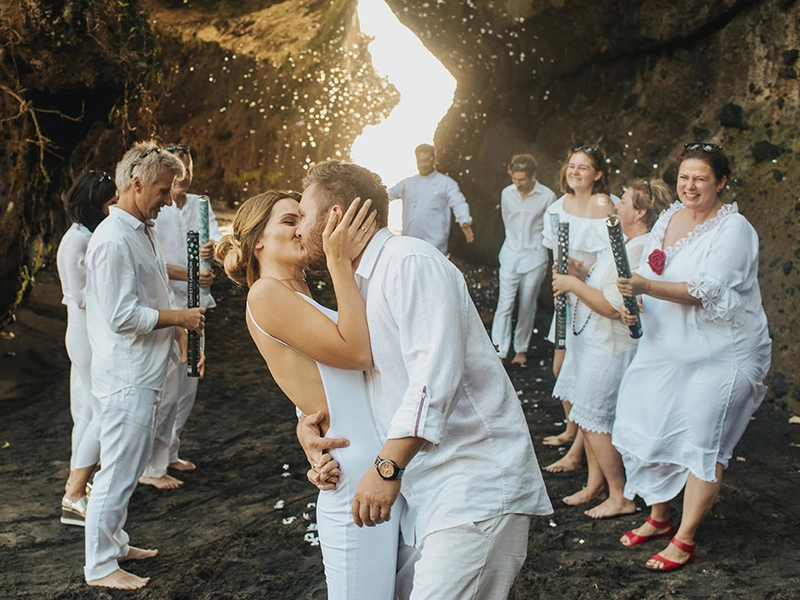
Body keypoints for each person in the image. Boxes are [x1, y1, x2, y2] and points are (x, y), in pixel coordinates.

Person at [296, 160, 552, 599]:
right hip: (428, 490)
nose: (298, 230)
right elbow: (373, 383)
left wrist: (386, 466)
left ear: (334, 217)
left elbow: (433, 380)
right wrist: (314, 431)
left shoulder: (409, 262)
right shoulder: (363, 282)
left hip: (475, 485)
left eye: (302, 216)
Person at [215, 189, 398, 599]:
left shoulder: (297, 292)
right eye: (289, 220)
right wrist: (338, 262)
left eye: (303, 217)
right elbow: (358, 353)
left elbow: (317, 384)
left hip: (377, 464)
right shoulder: (265, 293)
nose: (303, 228)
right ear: (258, 239)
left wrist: (304, 425)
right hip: (352, 475)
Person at [613, 143, 771, 571]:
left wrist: (643, 286)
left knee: (703, 441)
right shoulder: (668, 218)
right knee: (650, 422)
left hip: (722, 354)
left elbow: (708, 291)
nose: (690, 185)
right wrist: (636, 301)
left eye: (701, 178)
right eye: (684, 177)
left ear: (720, 182)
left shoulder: (734, 229)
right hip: (666, 348)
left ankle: (684, 537)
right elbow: (649, 271)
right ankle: (660, 517)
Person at [83, 142, 205, 590]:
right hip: (126, 375)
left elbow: (153, 294)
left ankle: (114, 543)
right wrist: (181, 318)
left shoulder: (140, 228)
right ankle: (99, 566)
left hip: (144, 370)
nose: (168, 199)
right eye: (161, 189)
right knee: (116, 471)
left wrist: (179, 337)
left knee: (129, 468)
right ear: (135, 184)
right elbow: (121, 316)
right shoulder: (114, 239)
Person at [551, 179, 671, 516]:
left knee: (594, 420)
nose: (616, 205)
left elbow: (613, 307)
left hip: (610, 348)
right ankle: (594, 485)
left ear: (640, 212)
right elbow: (601, 279)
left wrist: (572, 284)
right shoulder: (625, 241)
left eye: (625, 202)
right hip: (591, 342)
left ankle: (621, 496)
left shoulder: (638, 249)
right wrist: (579, 270)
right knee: (586, 415)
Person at [140, 143, 222, 489]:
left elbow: (217, 240)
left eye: (187, 171)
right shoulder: (159, 210)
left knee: (190, 383)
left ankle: (170, 451)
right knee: (168, 387)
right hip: (170, 305)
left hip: (198, 303)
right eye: (178, 173)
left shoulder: (201, 204)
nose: (183, 179)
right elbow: (154, 263)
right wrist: (189, 273)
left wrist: (212, 251)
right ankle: (152, 465)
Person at [541, 144, 615, 473]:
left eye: (583, 167)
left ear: (597, 174)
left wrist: (581, 276)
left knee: (580, 374)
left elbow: (614, 257)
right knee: (562, 369)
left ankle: (577, 449)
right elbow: (553, 253)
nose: (575, 171)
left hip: (593, 295)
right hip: (567, 296)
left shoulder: (603, 205)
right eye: (572, 165)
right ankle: (573, 430)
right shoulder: (557, 207)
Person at [56, 171, 117, 526]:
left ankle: (74, 483)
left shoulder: (90, 235)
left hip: (88, 331)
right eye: (109, 203)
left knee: (85, 412)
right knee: (100, 412)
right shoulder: (75, 242)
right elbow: (79, 297)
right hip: (83, 333)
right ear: (93, 205)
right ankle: (74, 494)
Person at [491, 153, 557, 365]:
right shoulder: (506, 193)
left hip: (534, 257)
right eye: (514, 179)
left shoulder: (547, 196)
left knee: (528, 304)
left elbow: (551, 230)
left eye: (522, 179)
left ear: (533, 176)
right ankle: (499, 351)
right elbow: (507, 221)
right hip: (509, 254)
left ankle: (521, 350)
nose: (517, 184)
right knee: (505, 304)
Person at [388, 143, 474, 254]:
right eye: (420, 161)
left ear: (434, 159)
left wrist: (464, 221)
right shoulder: (407, 184)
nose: (423, 164)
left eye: (426, 160)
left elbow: (458, 202)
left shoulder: (446, 183)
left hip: (435, 247)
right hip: (410, 245)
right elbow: (386, 195)